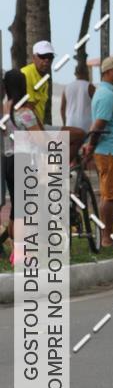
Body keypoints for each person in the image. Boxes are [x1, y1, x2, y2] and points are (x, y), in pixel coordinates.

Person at [82, 56, 113, 247]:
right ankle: (106, 237)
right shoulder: (105, 95)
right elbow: (99, 124)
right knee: (110, 195)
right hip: (111, 151)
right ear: (108, 72)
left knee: (109, 194)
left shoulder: (108, 93)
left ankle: (107, 233)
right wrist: (91, 146)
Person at [1, 70, 43, 261]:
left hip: (7, 160)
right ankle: (21, 252)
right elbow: (40, 140)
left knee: (16, 208)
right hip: (24, 160)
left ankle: (15, 251)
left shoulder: (4, 108)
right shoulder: (25, 113)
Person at [21, 40, 55, 125]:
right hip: (27, 127)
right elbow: (29, 108)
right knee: (77, 132)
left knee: (77, 131)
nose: (47, 60)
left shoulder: (44, 78)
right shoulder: (26, 74)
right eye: (42, 56)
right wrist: (41, 131)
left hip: (37, 126)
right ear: (33, 58)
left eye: (50, 56)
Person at [61, 61, 95, 135]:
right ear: (87, 73)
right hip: (86, 124)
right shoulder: (90, 87)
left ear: (75, 73)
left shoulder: (67, 87)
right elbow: (97, 105)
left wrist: (65, 123)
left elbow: (62, 109)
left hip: (70, 123)